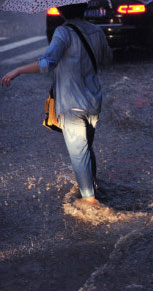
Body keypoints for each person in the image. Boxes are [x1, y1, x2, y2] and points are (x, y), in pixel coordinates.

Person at [1, 4, 113, 206]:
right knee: (87, 147)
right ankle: (93, 185)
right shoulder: (96, 31)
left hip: (71, 102)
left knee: (79, 154)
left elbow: (46, 64)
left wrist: (18, 70)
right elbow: (108, 58)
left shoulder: (63, 32)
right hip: (93, 101)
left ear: (62, 11)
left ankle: (90, 201)